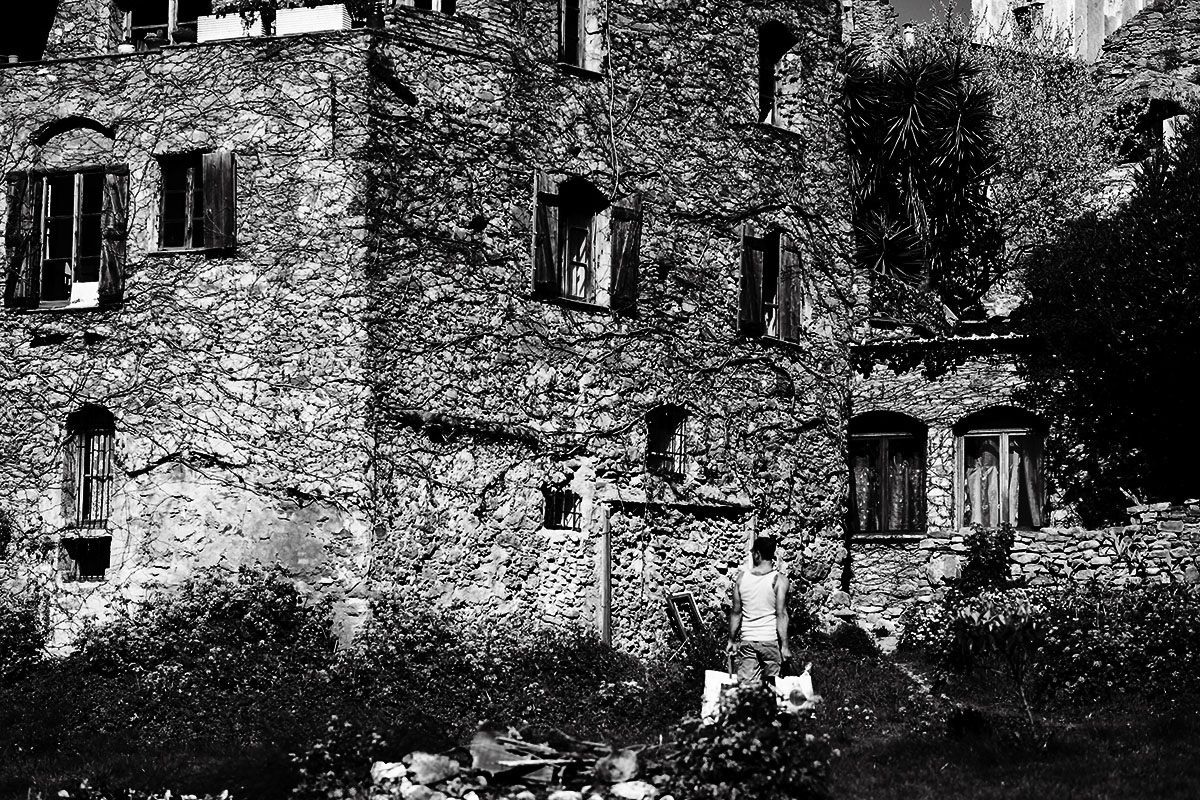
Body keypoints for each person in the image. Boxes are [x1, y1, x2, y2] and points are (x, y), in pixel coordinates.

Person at [727, 535, 790, 682]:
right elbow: (782, 614)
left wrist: (731, 640)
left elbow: (736, 613)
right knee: (772, 688)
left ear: (757, 554)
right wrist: (785, 646)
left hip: (748, 640)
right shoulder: (780, 580)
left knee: (748, 689)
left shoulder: (742, 578)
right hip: (770, 640)